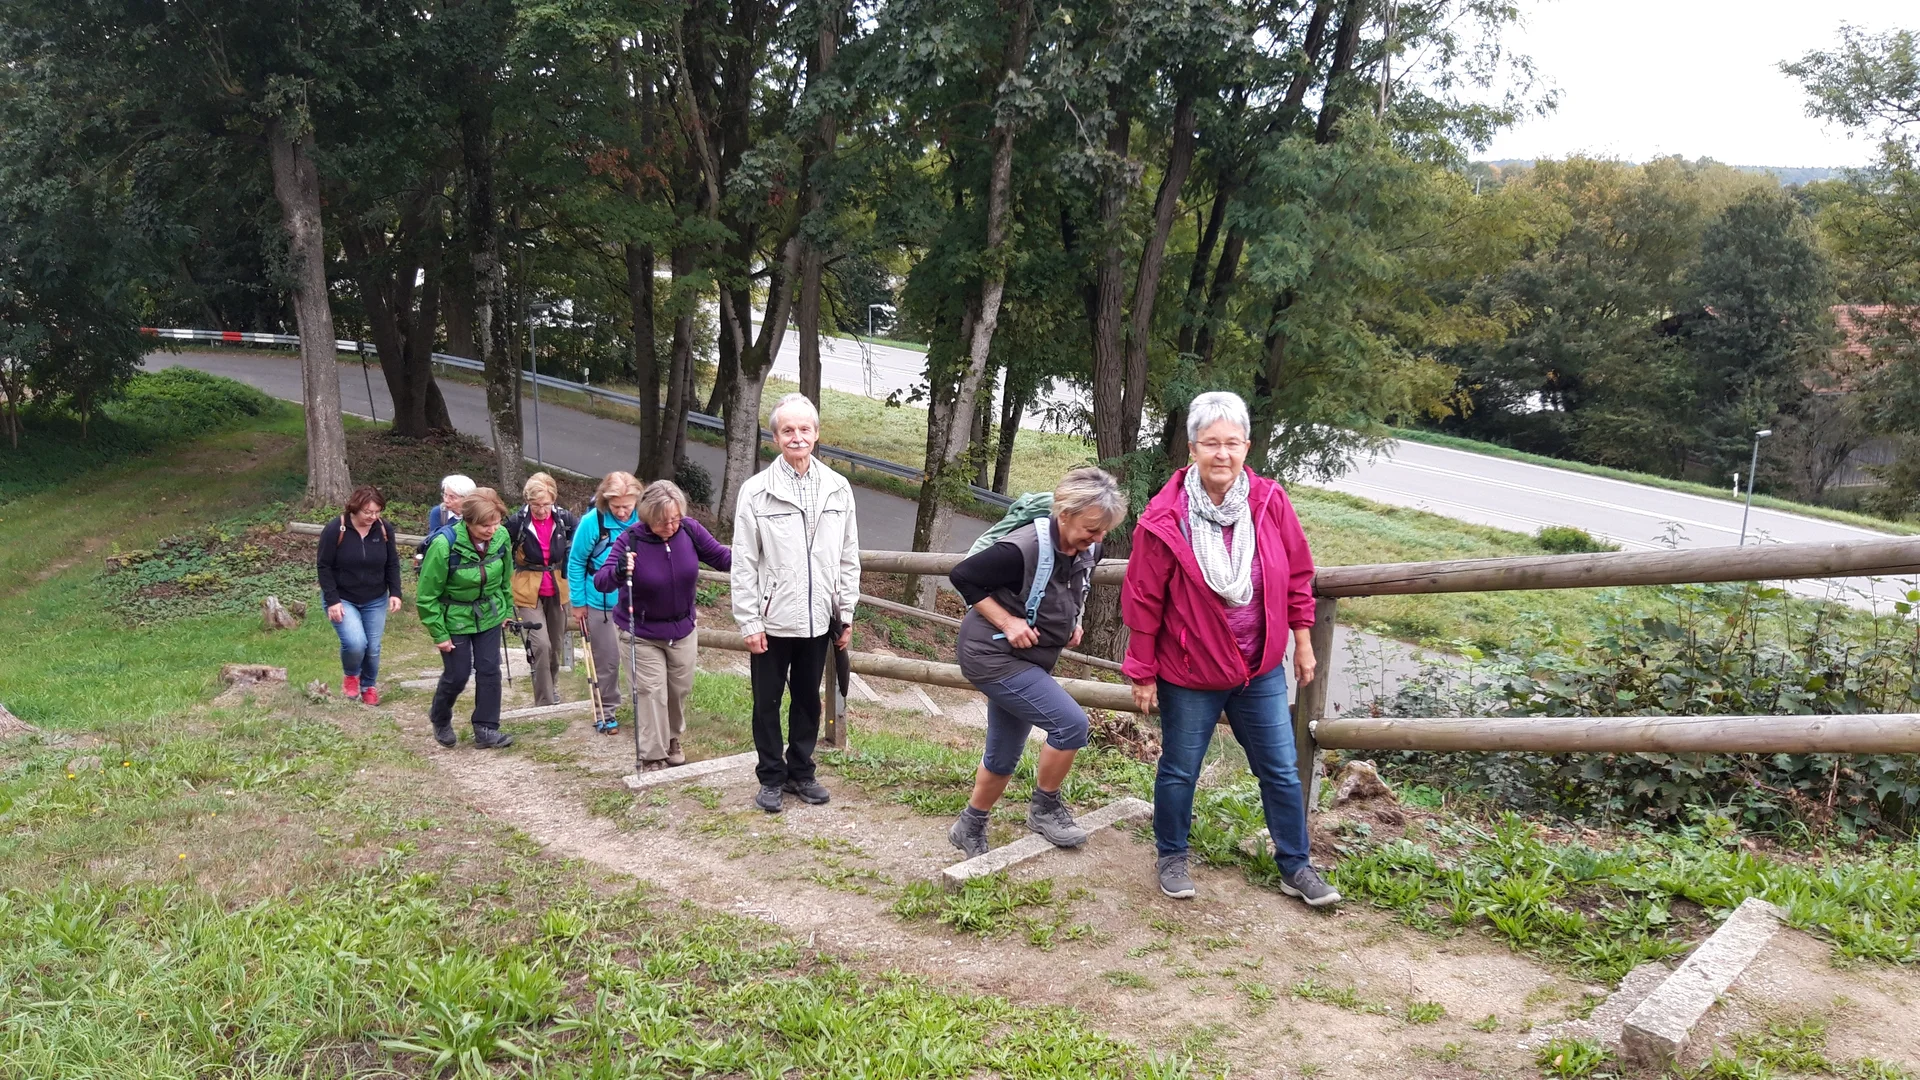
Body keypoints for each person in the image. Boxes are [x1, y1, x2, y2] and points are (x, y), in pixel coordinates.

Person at [1122, 391, 1339, 907]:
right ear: (1193, 448)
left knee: (1281, 769)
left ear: (1247, 446)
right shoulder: (1165, 515)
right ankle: (1172, 855)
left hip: (1258, 668)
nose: (1223, 453)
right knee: (1180, 767)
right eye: (1211, 443)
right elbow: (1143, 597)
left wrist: (1302, 643)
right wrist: (1142, 670)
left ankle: (1296, 866)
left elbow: (1298, 575)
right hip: (1190, 670)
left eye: (1233, 443)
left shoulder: (1269, 501)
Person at [945, 468, 1126, 858]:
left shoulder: (1090, 546)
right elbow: (963, 576)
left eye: (1102, 532)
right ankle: (1045, 809)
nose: (1096, 540)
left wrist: (1073, 621)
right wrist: (1008, 621)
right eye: (1090, 530)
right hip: (992, 655)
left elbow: (1074, 585)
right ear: (1064, 514)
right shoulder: (1023, 547)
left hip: (1030, 657)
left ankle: (969, 826)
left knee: (1005, 750)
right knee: (1071, 724)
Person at [731, 392, 860, 813]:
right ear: (775, 437)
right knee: (766, 702)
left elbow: (848, 557)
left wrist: (847, 613)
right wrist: (749, 621)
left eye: (805, 429)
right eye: (788, 430)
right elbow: (745, 562)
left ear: (817, 434)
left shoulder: (838, 489)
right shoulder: (756, 492)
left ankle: (801, 772)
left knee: (808, 699)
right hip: (772, 619)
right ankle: (770, 777)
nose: (797, 437)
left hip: (820, 617)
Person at [595, 480, 731, 771]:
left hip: (682, 629)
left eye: (675, 518)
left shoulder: (690, 530)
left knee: (678, 690)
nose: (670, 526)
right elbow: (602, 580)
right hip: (641, 632)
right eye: (662, 521)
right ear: (647, 516)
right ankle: (652, 754)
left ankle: (672, 740)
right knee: (650, 691)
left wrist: (757, 556)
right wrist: (619, 570)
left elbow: (722, 558)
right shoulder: (631, 540)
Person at [418, 487, 517, 749]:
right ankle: (440, 717)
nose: (492, 530)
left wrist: (506, 610)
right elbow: (426, 595)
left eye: (496, 523)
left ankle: (486, 728)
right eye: (485, 525)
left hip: (488, 613)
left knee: (489, 670)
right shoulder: (443, 545)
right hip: (454, 616)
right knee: (458, 674)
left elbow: (505, 578)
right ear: (468, 520)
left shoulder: (502, 536)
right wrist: (439, 633)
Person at [569, 471, 644, 733]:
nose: (622, 512)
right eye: (616, 507)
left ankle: (645, 713)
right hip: (601, 602)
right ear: (605, 501)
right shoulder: (593, 522)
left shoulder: (645, 519)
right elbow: (577, 561)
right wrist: (577, 602)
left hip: (639, 603)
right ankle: (606, 711)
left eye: (627, 506)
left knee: (641, 661)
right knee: (608, 662)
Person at [317, 485, 403, 706]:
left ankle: (369, 686)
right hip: (343, 597)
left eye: (377, 512)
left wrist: (395, 592)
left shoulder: (383, 529)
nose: (373, 517)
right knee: (356, 643)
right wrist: (332, 601)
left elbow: (392, 563)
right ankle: (351, 676)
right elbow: (324, 566)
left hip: (375, 597)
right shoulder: (336, 529)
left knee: (372, 648)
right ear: (355, 508)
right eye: (368, 512)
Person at [505, 472, 578, 707]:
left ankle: (552, 688)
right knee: (541, 645)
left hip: (558, 586)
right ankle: (544, 700)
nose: (542, 510)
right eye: (536, 505)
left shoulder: (564, 519)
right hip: (527, 587)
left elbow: (580, 543)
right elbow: (501, 550)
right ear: (528, 502)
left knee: (555, 645)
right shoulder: (517, 522)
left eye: (546, 504)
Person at [415, 474, 476, 568]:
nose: (446, 500)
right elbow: (434, 542)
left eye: (452, 497)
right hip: (444, 563)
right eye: (445, 495)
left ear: (467, 498)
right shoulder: (438, 512)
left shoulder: (476, 514)